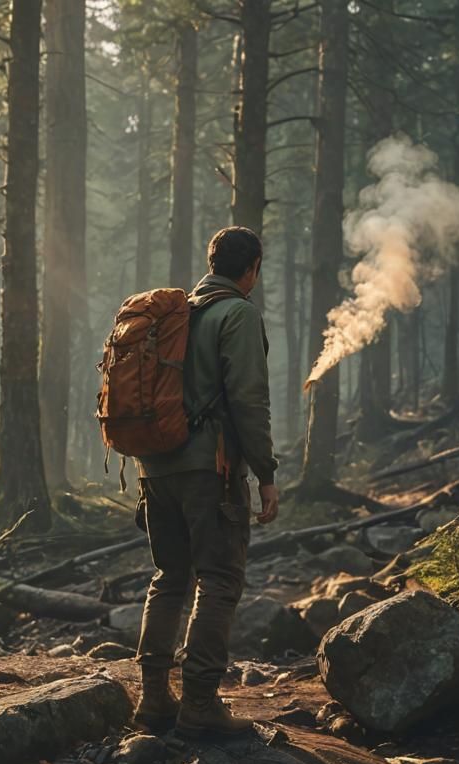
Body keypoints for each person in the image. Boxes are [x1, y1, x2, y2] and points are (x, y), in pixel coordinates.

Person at [131, 226, 280, 737]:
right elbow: (248, 401)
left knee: (170, 577)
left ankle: (153, 700)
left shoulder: (179, 314)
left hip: (155, 468)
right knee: (219, 579)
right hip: (208, 472)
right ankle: (199, 701)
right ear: (252, 269)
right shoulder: (237, 313)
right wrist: (266, 474)